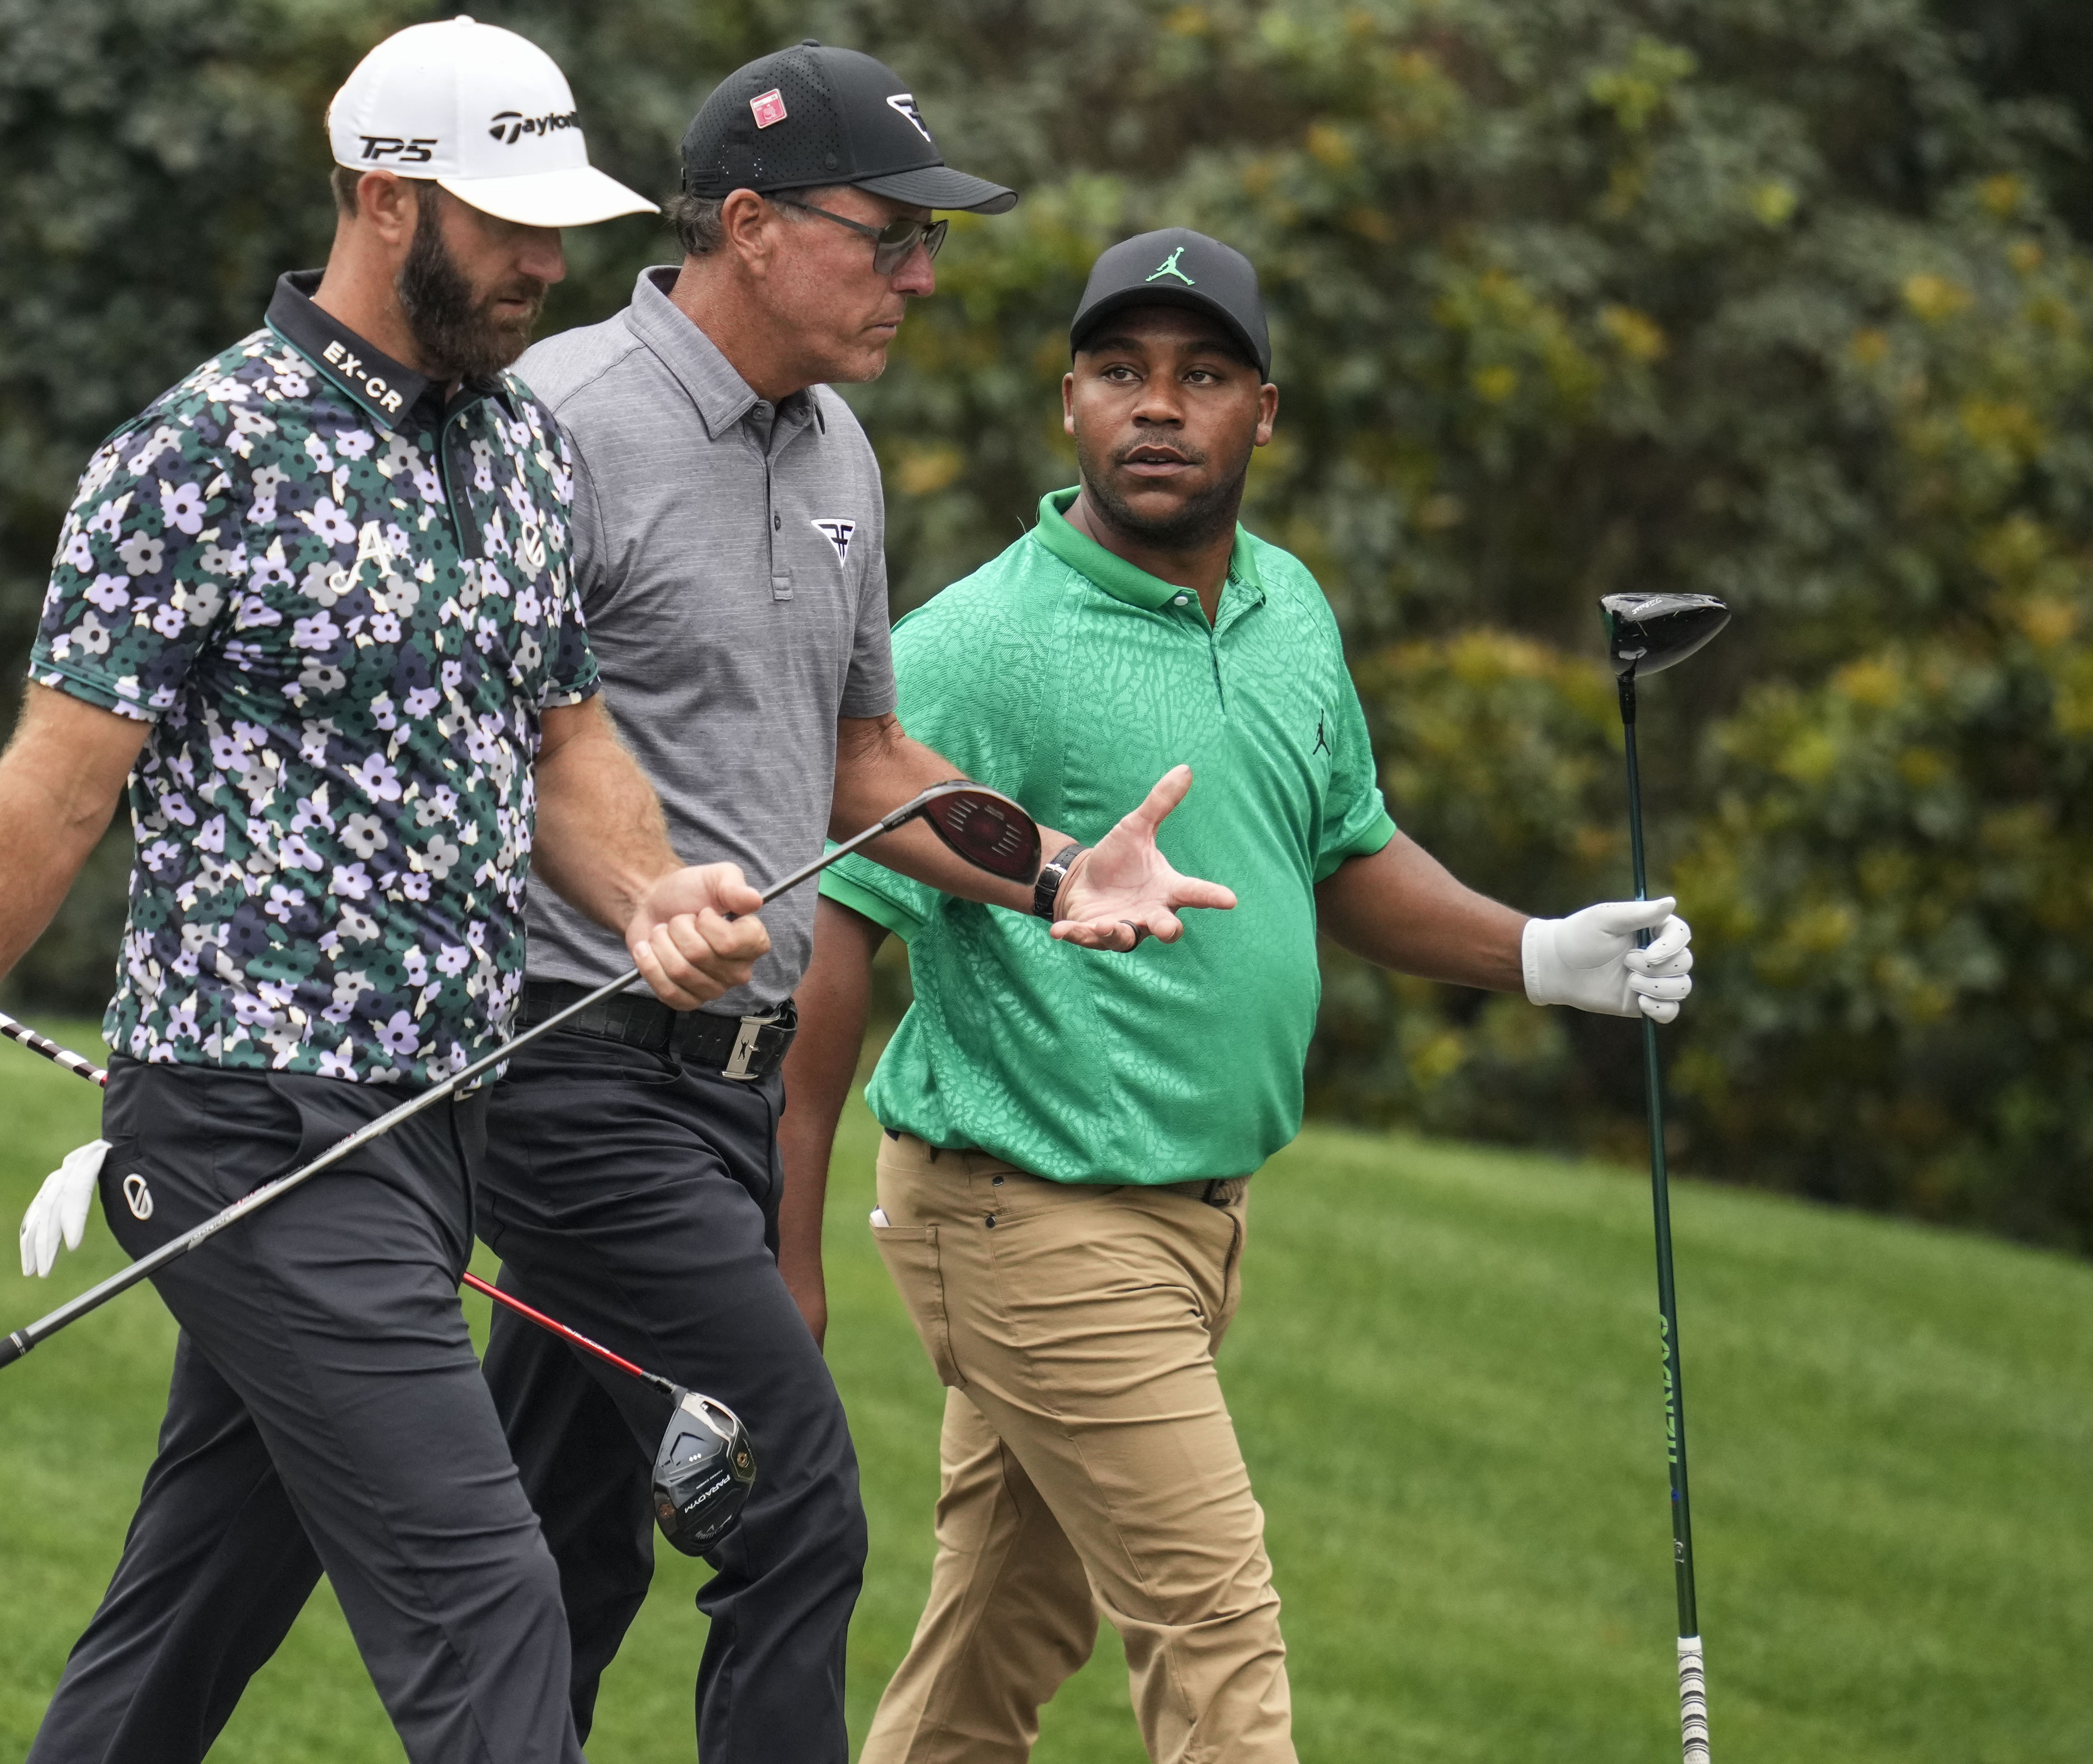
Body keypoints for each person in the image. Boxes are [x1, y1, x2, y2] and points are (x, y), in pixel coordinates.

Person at [0, 21, 770, 1764]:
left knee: (194, 1610)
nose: (546, 264)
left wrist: (651, 891)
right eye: (506, 222)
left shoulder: (515, 451)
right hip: (249, 1129)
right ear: (383, 197)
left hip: (434, 1122)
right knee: (489, 1593)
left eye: (556, 225)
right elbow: (48, 797)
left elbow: (563, 743)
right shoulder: (196, 452)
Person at [776, 228, 1700, 1764]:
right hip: (1031, 1212)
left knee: (998, 1640)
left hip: (1198, 1214)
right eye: (1123, 375)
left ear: (1261, 412)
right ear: (1068, 401)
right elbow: (836, 929)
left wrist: (1544, 955)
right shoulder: (976, 645)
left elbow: (1338, 852)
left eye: (1202, 377)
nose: (1159, 407)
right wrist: (784, 1260)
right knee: (1217, 1630)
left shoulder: (1287, 609)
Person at [473, 50, 1243, 1764]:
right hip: (572, 1063)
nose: (920, 276)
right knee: (791, 1499)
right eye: (883, 236)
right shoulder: (555, 424)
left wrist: (1048, 870)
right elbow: (492, 742)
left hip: (722, 1092)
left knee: (558, 1557)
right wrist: (629, 889)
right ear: (748, 226)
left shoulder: (835, 452)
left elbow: (861, 756)